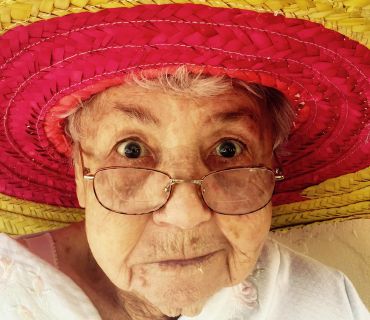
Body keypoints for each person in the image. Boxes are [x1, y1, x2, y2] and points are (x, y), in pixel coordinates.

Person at [0, 1, 369, 320]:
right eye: (132, 150)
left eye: (229, 149)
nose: (186, 214)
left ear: (270, 166)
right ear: (82, 172)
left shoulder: (321, 299)